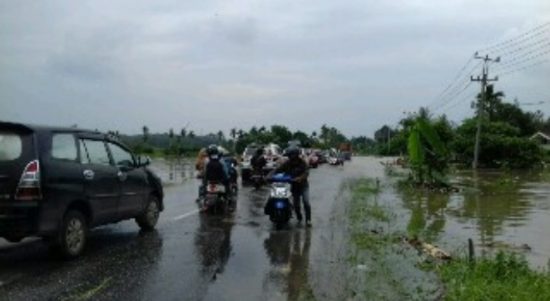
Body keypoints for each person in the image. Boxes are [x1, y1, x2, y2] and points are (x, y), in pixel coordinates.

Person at [270, 146, 311, 227]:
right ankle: (299, 216)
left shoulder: (303, 163)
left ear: (296, 155)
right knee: (296, 205)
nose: (289, 157)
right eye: (288, 155)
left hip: (303, 186)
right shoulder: (287, 163)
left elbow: (306, 173)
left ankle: (308, 219)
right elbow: (277, 170)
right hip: (294, 187)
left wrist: (300, 178)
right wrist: (269, 175)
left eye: (291, 155)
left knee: (306, 202)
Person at [200, 145, 232, 209]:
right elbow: (225, 172)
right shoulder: (221, 161)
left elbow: (204, 172)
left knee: (203, 187)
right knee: (227, 185)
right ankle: (228, 199)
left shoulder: (207, 161)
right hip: (219, 181)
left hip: (209, 181)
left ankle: (203, 200)